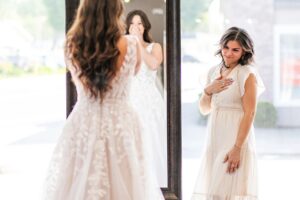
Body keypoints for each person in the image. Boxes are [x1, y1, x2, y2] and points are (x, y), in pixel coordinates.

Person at [43, 1, 164, 199]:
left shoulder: (71, 44)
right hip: (120, 121)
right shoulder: (130, 45)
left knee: (81, 177)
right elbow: (133, 71)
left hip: (84, 118)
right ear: (116, 11)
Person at [191, 27, 265, 200]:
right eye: (226, 48)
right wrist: (208, 90)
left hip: (235, 139)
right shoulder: (213, 72)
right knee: (215, 191)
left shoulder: (246, 74)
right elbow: (204, 109)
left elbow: (250, 113)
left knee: (231, 190)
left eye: (235, 50)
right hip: (215, 138)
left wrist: (237, 148)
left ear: (244, 51)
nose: (228, 53)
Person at [126, 9, 167, 187]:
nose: (136, 27)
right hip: (129, 100)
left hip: (149, 100)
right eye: (132, 23)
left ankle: (156, 185)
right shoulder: (122, 46)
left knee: (152, 141)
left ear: (145, 26)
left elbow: (152, 64)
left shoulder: (155, 47)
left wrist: (137, 43)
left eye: (139, 23)